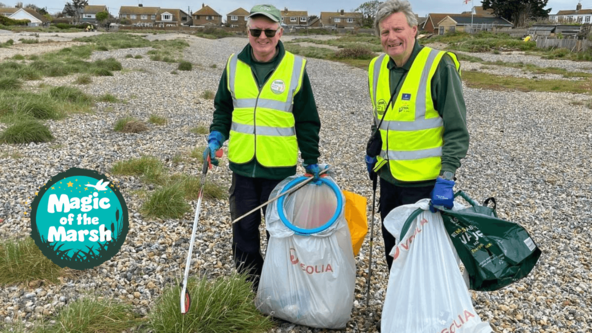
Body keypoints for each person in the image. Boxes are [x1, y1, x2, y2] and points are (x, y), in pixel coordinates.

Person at [203, 4, 323, 290]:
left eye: (269, 31)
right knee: (243, 228)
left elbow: (306, 120)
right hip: (243, 165)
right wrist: (216, 137)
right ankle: (250, 285)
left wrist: (311, 159)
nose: (262, 37)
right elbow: (223, 107)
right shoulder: (234, 64)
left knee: (278, 231)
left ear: (280, 32)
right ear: (248, 32)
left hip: (279, 169)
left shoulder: (295, 67)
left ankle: (277, 285)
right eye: (256, 31)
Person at [365, 0, 469, 270]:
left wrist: (447, 175)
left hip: (425, 185)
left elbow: (456, 128)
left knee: (423, 257)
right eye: (385, 32)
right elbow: (381, 119)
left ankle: (425, 312)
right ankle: (400, 309)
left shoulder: (438, 65)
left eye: (398, 29)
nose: (391, 38)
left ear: (414, 30)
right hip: (389, 177)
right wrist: (372, 149)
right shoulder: (376, 67)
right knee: (394, 251)